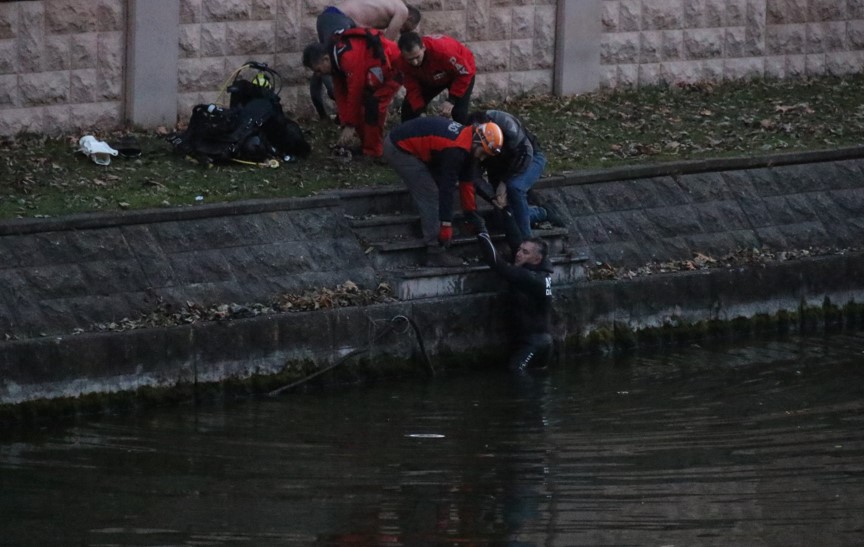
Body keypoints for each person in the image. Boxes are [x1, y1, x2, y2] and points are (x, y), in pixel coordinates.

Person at [383, 116, 503, 266]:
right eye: (483, 153)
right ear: (478, 141)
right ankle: (434, 251)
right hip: (399, 148)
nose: (483, 158)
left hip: (418, 145)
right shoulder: (456, 150)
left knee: (434, 187)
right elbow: (447, 188)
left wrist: (471, 213)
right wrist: (446, 225)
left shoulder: (468, 142)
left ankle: (426, 224)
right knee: (430, 192)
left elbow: (467, 183)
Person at [311, 0, 422, 120]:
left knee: (322, 64)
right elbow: (385, 44)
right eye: (408, 28)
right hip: (339, 18)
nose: (404, 32)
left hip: (330, 17)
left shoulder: (391, 5)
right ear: (409, 18)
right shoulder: (402, 11)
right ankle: (346, 115)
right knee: (331, 65)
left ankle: (323, 113)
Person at [302, 28, 402, 159]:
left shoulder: (347, 57)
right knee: (359, 108)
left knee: (374, 106)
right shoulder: (335, 60)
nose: (318, 75)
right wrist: (346, 123)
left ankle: (374, 152)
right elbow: (341, 95)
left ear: (326, 59)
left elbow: (355, 90)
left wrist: (350, 125)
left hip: (392, 69)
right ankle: (367, 145)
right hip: (374, 73)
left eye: (318, 70)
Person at [468, 109, 563, 240]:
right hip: (498, 169)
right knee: (503, 217)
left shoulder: (506, 123)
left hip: (529, 157)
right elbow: (473, 177)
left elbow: (525, 153)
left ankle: (527, 241)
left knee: (515, 187)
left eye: (485, 154)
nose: (482, 158)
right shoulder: (468, 139)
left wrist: (505, 182)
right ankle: (542, 212)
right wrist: (492, 197)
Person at [477, 232, 554, 372]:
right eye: (519, 250)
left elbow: (496, 263)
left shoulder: (529, 277)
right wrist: (506, 211)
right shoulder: (541, 272)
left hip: (533, 343)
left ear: (537, 259)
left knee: (517, 376)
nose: (518, 254)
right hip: (540, 341)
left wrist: (482, 232)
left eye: (525, 252)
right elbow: (514, 237)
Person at [395, 32, 476, 124]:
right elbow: (412, 87)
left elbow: (464, 73)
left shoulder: (443, 51)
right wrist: (420, 111)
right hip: (431, 76)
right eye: (410, 59)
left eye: (417, 57)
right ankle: (410, 136)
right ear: (402, 55)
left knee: (458, 113)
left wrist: (451, 100)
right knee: (410, 109)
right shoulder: (401, 62)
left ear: (423, 48)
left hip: (460, 74)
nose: (415, 62)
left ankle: (467, 133)